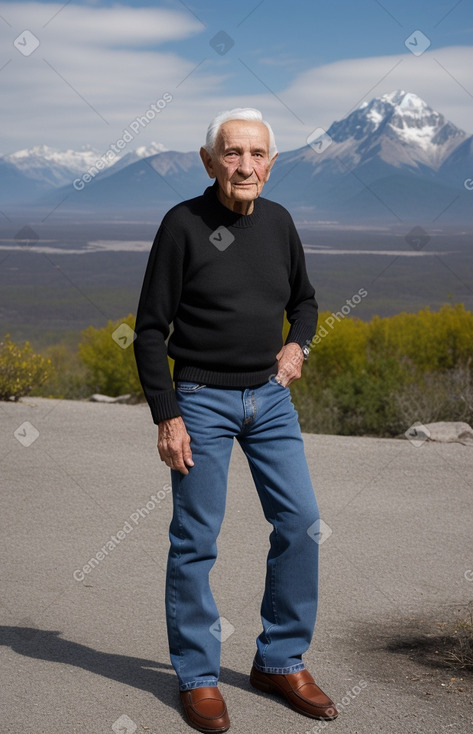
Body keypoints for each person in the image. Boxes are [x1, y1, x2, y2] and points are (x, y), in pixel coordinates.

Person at [134, 108, 337, 733]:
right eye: (231, 153)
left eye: (256, 155)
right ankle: (197, 677)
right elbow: (147, 330)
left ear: (271, 164)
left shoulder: (278, 222)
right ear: (208, 160)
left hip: (270, 399)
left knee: (302, 524)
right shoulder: (183, 225)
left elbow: (305, 301)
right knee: (197, 540)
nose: (244, 166)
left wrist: (296, 346)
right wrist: (168, 415)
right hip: (200, 399)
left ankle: (279, 660)